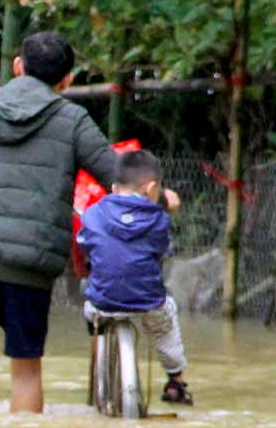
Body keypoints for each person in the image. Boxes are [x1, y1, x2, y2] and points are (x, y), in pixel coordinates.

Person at [0, 31, 120, 414]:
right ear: (67, 80)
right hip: (30, 263)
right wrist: (156, 193)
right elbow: (116, 178)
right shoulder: (72, 120)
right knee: (26, 367)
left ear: (18, 66)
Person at [76, 149, 194, 406]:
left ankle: (92, 322)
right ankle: (175, 380)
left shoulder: (93, 214)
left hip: (103, 301)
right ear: (152, 188)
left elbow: (84, 245)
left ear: (113, 186)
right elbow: (161, 248)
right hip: (148, 301)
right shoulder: (159, 218)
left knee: (89, 293)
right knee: (166, 325)